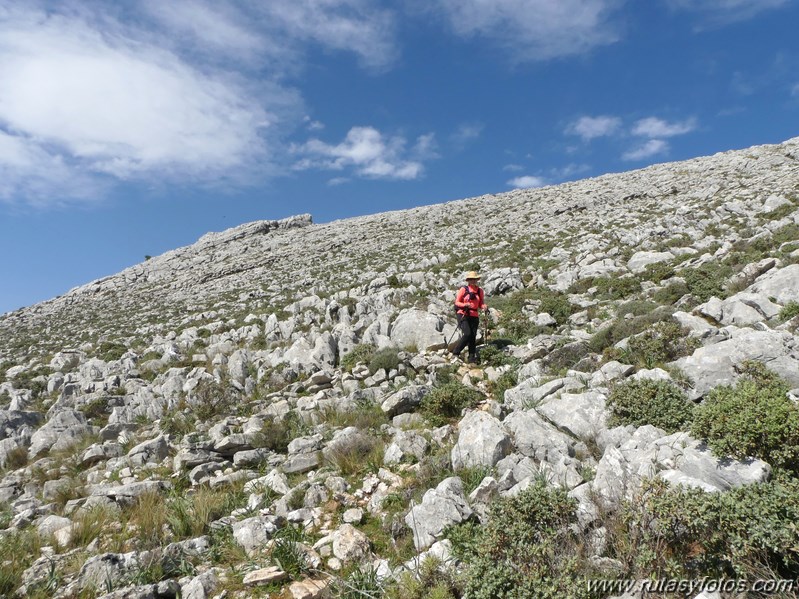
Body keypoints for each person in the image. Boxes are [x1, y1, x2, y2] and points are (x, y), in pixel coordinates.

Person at [452, 271, 487, 363]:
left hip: (474, 315)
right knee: (467, 334)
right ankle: (456, 352)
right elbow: (457, 302)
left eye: (474, 279)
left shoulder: (480, 291)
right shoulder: (464, 289)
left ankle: (471, 357)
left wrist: (484, 307)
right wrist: (465, 304)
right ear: (468, 280)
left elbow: (481, 303)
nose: (473, 281)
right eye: (471, 279)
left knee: (473, 337)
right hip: (463, 313)